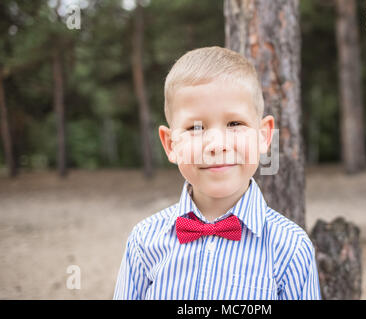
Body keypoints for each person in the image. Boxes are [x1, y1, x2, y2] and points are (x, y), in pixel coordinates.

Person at [113, 46, 321, 300]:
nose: (216, 144)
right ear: (170, 144)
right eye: (195, 127)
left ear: (264, 136)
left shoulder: (291, 248)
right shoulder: (144, 242)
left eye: (235, 124)